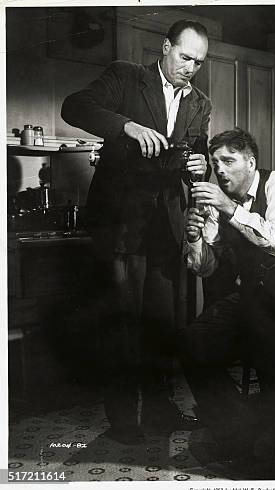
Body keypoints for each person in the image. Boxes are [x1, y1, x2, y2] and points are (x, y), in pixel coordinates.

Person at [61, 20, 211, 444]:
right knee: (123, 325)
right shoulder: (127, 76)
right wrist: (126, 126)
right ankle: (124, 419)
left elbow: (196, 151)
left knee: (161, 327)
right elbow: (74, 106)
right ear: (165, 48)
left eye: (198, 62)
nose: (190, 68)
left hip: (165, 231)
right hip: (122, 227)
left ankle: (162, 412)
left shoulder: (200, 102)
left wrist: (201, 165)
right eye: (184, 57)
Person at [180, 128, 275, 459]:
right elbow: (206, 268)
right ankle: (237, 426)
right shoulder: (218, 201)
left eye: (229, 161)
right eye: (216, 164)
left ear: (251, 163)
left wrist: (230, 209)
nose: (221, 170)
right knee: (191, 342)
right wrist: (195, 237)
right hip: (250, 297)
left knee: (268, 348)